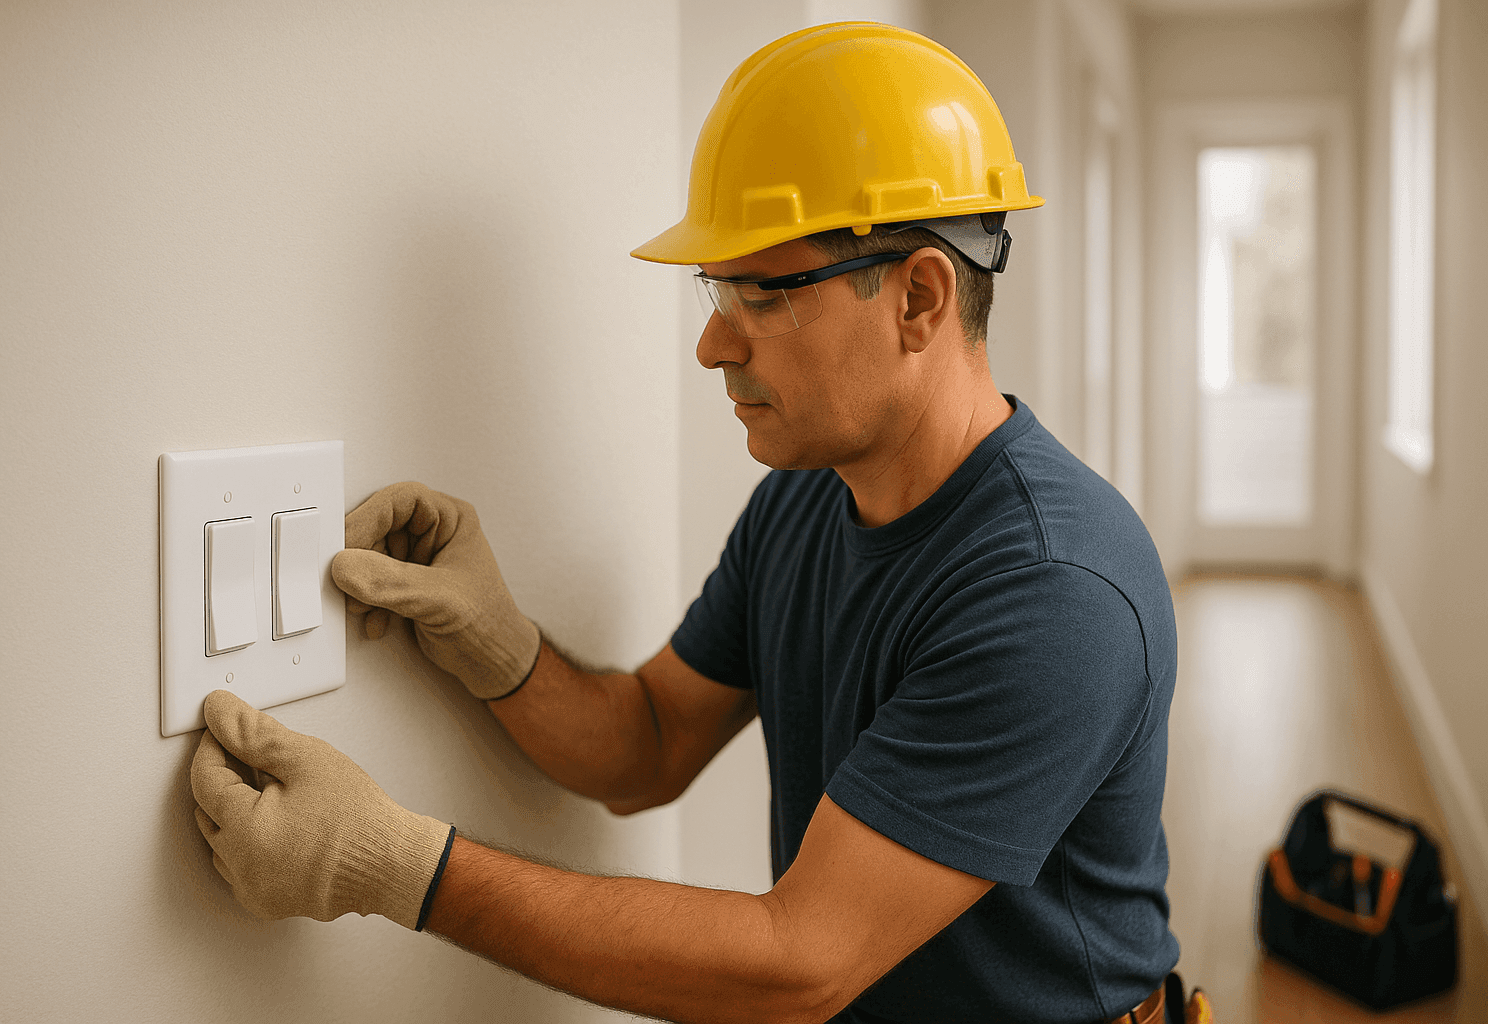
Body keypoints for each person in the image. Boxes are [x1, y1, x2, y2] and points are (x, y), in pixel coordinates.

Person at [191, 23, 1203, 1024]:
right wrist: (496, 641)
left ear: (919, 299)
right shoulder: (806, 498)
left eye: (762, 293)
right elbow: (652, 742)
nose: (714, 344)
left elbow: (799, 965)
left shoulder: (1054, 587)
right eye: (716, 289)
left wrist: (389, 863)